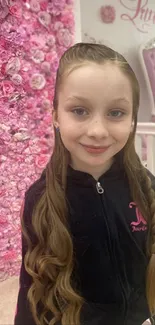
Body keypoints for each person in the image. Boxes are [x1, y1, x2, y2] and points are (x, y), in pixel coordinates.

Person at [14, 43, 155, 325]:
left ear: (131, 120)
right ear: (55, 116)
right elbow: (32, 289)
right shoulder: (40, 199)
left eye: (115, 113)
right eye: (79, 110)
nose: (97, 131)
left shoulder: (146, 186)